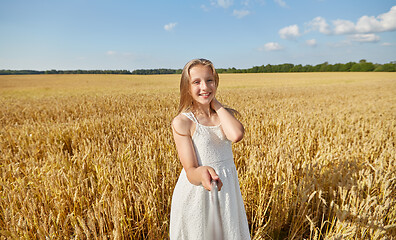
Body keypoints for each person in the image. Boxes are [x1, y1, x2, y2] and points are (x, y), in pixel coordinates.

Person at [169, 58, 251, 239]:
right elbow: (190, 170)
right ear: (187, 88)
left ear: (216, 83)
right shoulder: (183, 122)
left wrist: (217, 105)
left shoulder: (223, 115)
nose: (205, 87)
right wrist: (203, 172)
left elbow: (236, 135)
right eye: (196, 82)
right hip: (198, 191)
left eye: (209, 80)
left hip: (226, 188)